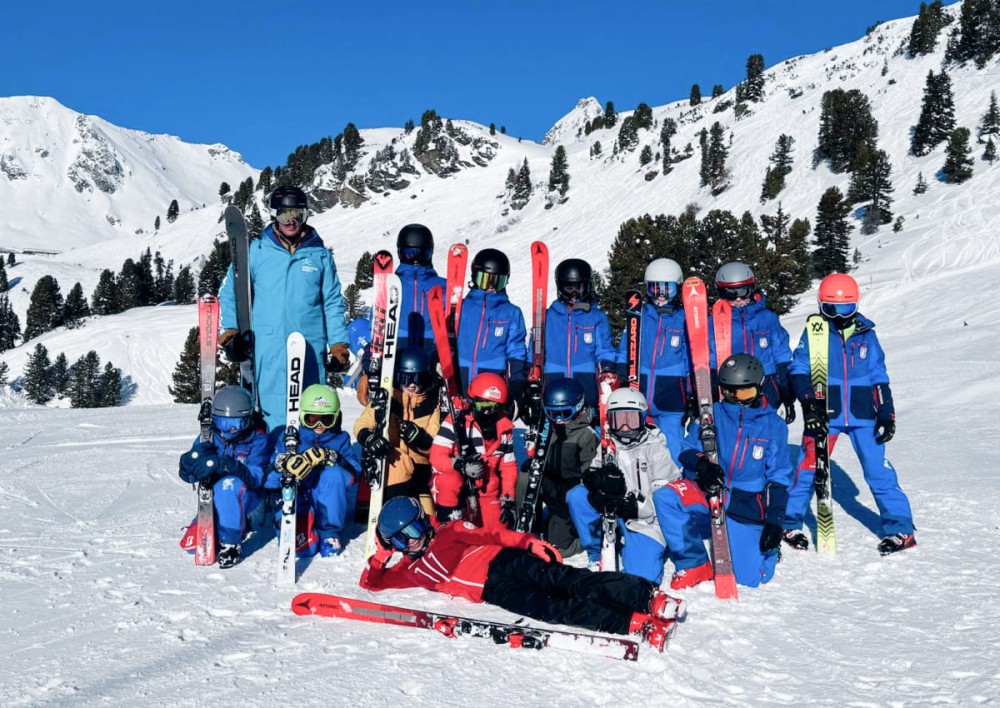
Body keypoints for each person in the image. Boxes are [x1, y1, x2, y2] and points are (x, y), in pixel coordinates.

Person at [360, 497, 681, 651]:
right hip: (494, 591)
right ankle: (635, 623)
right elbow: (371, 585)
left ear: (424, 520)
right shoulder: (409, 570)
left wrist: (530, 542)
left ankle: (648, 597)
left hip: (503, 561)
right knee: (553, 608)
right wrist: (381, 557)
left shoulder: (450, 532)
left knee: (569, 582)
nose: (412, 539)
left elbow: (495, 536)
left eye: (415, 528)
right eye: (401, 538)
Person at [782, 273, 915, 555]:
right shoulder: (815, 331)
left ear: (856, 306)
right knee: (807, 468)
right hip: (824, 414)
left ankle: (900, 528)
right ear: (821, 306)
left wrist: (886, 412)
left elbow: (878, 375)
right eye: (832, 309)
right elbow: (799, 370)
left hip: (862, 414)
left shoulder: (868, 334)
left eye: (846, 309)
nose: (840, 316)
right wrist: (809, 404)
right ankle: (789, 521)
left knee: (879, 472)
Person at [654, 354, 792, 589]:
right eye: (730, 392)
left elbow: (779, 475)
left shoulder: (773, 425)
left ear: (759, 388)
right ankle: (694, 562)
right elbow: (687, 449)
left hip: (746, 502)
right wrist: (702, 464)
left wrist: (775, 520)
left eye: (744, 393)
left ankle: (768, 552)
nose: (737, 400)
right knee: (666, 497)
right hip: (710, 489)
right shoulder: (712, 414)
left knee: (749, 578)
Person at [218, 186, 350, 431]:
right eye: (284, 215)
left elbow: (332, 302)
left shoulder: (320, 256)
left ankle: (310, 463)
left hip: (309, 347)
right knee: (269, 409)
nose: (291, 221)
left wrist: (338, 344)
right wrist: (230, 333)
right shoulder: (255, 252)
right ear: (273, 215)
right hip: (267, 346)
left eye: (297, 215)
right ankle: (270, 461)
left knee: (310, 411)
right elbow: (231, 294)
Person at [567, 388, 679, 583]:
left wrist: (634, 506)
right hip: (612, 513)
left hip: (645, 521)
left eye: (631, 420)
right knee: (577, 496)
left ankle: (642, 549)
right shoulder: (608, 446)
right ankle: (596, 553)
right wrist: (596, 483)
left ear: (643, 419)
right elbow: (592, 472)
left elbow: (666, 496)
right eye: (618, 421)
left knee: (641, 578)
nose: (625, 428)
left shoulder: (656, 449)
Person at [178, 386, 270, 568]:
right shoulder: (209, 436)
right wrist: (188, 467)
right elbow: (194, 471)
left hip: (251, 501)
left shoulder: (258, 441)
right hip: (217, 500)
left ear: (248, 419)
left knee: (229, 485)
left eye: (237, 424)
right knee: (192, 546)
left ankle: (231, 543)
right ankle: (217, 525)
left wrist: (230, 464)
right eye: (222, 423)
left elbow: (255, 479)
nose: (230, 430)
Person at [267, 384, 361, 557]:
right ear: (302, 416)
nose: (319, 425)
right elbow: (268, 479)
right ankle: (291, 523)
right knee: (304, 550)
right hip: (298, 498)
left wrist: (334, 457)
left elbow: (353, 475)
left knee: (333, 474)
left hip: (325, 499)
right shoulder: (291, 440)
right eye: (312, 419)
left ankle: (328, 532)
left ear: (336, 417)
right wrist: (282, 464)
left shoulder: (340, 439)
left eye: (326, 419)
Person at [617, 258, 692, 466]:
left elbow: (690, 360)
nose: (660, 295)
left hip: (671, 399)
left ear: (677, 289)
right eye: (655, 288)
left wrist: (691, 392)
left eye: (667, 289)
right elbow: (625, 349)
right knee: (634, 448)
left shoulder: (684, 320)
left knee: (672, 448)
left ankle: (675, 488)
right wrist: (622, 375)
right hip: (637, 393)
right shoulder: (638, 316)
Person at [515, 377, 597, 557]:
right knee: (525, 477)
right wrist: (536, 463)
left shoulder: (586, 435)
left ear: (578, 408)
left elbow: (589, 479)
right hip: (554, 488)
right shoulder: (548, 428)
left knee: (559, 549)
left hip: (572, 497)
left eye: (564, 413)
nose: (558, 420)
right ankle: (527, 525)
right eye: (553, 414)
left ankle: (584, 538)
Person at [354, 347, 441, 516]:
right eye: (406, 378)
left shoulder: (431, 405)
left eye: (417, 378)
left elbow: (436, 444)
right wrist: (369, 438)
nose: (411, 384)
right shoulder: (387, 399)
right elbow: (362, 424)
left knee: (429, 518)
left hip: (421, 471)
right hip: (394, 466)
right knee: (399, 466)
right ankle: (391, 514)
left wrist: (421, 439)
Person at [529, 258, 617, 418]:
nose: (574, 294)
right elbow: (533, 351)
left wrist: (607, 367)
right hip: (553, 382)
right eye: (569, 288)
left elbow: (605, 349)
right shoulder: (547, 317)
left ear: (587, 286)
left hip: (586, 383)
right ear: (560, 287)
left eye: (579, 288)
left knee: (587, 428)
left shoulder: (596, 317)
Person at [429, 372, 518, 529]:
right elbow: (436, 455)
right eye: (481, 406)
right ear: (472, 402)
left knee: (496, 536)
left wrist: (508, 499)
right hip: (458, 487)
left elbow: (508, 467)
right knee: (450, 481)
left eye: (492, 407)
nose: (486, 412)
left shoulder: (505, 429)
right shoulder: (456, 421)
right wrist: (460, 465)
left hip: (487, 491)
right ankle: (447, 527)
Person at [712, 262, 796, 422]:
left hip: (766, 386)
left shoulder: (767, 318)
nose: (738, 298)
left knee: (766, 432)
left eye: (743, 291)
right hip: (732, 388)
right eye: (731, 293)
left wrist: (786, 394)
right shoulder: (715, 323)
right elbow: (710, 357)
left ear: (751, 289)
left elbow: (782, 355)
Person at [455, 248, 529, 420]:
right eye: (485, 279)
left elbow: (516, 350)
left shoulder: (511, 312)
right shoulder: (461, 307)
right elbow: (445, 339)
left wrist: (517, 382)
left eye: (498, 281)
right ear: (474, 278)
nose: (491, 287)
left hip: (491, 385)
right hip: (459, 378)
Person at [395, 224, 447, 353]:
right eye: (410, 254)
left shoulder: (443, 286)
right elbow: (376, 321)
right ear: (401, 252)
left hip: (431, 349)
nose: (416, 260)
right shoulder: (393, 284)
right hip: (395, 348)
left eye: (422, 254)